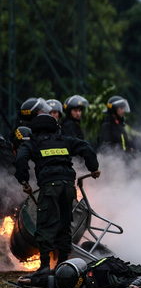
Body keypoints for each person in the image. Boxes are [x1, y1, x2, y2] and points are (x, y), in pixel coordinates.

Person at [13, 114, 101, 276]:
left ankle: (45, 266)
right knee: (64, 224)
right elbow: (86, 147)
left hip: (50, 187)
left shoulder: (32, 143)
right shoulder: (65, 140)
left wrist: (23, 180)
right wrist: (93, 168)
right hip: (68, 186)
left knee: (46, 224)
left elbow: (20, 159)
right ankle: (62, 264)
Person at [17, 257, 141, 288]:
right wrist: (32, 280)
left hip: (130, 270)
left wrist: (138, 286)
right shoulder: (89, 275)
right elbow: (54, 279)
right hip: (126, 271)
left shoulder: (103, 279)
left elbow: (136, 280)